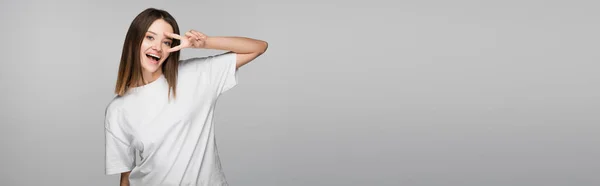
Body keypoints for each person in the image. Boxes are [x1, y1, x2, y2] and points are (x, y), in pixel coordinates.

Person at [104, 8, 268, 186]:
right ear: (133, 41)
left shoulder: (196, 74)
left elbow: (258, 47)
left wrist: (204, 43)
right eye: (150, 37)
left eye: (166, 42)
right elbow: (125, 178)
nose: (157, 47)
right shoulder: (118, 110)